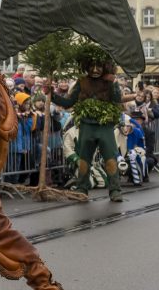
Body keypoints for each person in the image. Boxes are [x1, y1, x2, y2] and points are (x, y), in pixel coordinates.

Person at [52, 46, 126, 201]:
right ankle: (82, 189)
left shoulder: (110, 81)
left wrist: (113, 84)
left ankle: (115, 190)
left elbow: (117, 100)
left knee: (110, 157)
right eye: (92, 66)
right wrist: (51, 95)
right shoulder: (82, 82)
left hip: (105, 126)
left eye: (98, 66)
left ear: (104, 66)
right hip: (86, 125)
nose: (95, 69)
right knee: (84, 158)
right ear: (86, 66)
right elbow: (69, 102)